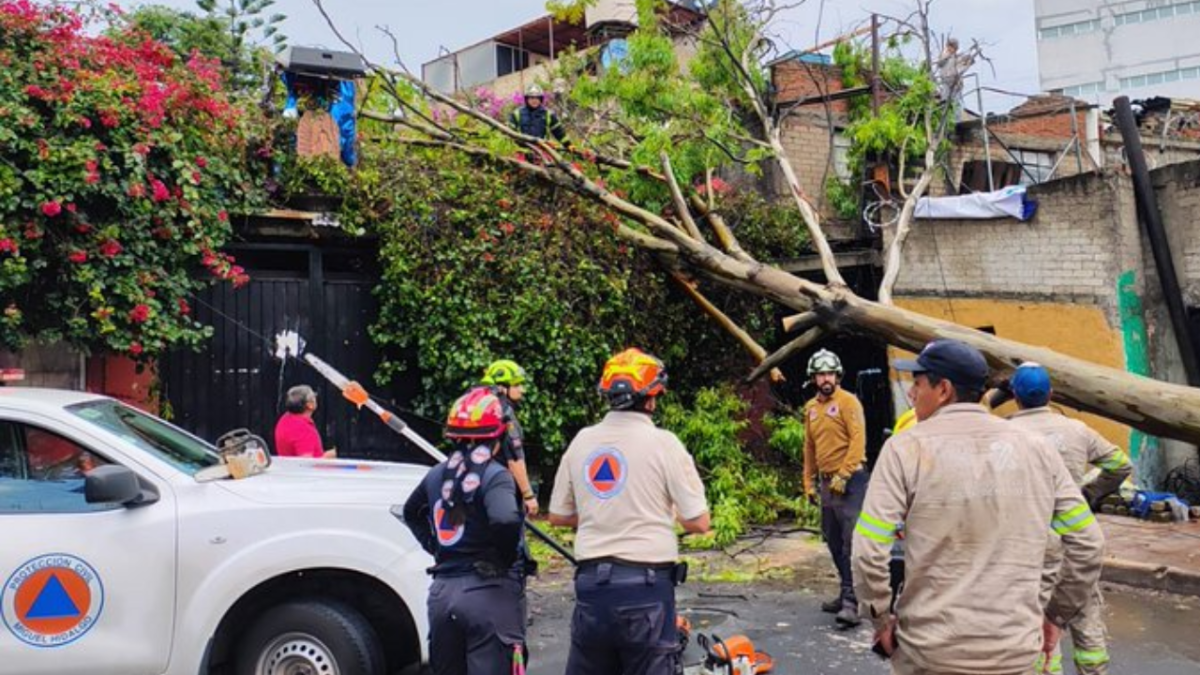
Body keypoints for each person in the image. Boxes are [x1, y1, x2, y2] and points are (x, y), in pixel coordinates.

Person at [853, 340, 1106, 675]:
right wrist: (1055, 615)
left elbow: (868, 549)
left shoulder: (904, 449)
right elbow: (1089, 544)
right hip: (1015, 653)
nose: (912, 394)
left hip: (930, 654)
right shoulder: (1037, 449)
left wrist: (880, 619)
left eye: (918, 383)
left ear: (943, 389)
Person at [548, 347, 709, 675]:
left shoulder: (581, 441)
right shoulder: (665, 444)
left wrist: (602, 511)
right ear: (651, 399)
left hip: (591, 589)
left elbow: (558, 515)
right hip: (646, 590)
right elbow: (698, 521)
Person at [1008, 363, 1131, 675]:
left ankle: (1046, 668)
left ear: (1014, 396)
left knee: (1037, 612)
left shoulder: (1005, 432)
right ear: (1051, 394)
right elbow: (1120, 464)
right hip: (1076, 533)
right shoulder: (1077, 430)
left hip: (1031, 539)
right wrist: (1089, 495)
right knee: (1084, 603)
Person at [402, 387, 528, 675]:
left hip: (442, 594)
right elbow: (506, 520)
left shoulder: (436, 474)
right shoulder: (496, 477)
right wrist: (505, 559)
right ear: (498, 436)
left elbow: (411, 512)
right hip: (488, 593)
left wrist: (436, 547)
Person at [801, 348, 869, 627]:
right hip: (827, 482)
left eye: (830, 373)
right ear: (814, 378)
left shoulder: (848, 402)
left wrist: (843, 474)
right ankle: (845, 592)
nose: (825, 378)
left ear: (837, 375)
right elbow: (809, 446)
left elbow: (858, 441)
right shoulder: (811, 409)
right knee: (831, 539)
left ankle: (852, 603)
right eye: (820, 374)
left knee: (850, 540)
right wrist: (808, 481)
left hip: (852, 480)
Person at [482, 359, 538, 516]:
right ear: (502, 387)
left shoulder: (483, 412)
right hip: (504, 491)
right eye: (517, 385)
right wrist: (528, 495)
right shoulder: (506, 416)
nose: (522, 390)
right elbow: (514, 459)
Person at [274, 385, 335, 458]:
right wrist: (332, 454)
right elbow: (306, 465)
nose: (316, 397)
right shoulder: (304, 430)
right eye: (314, 395)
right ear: (310, 405)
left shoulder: (284, 420)